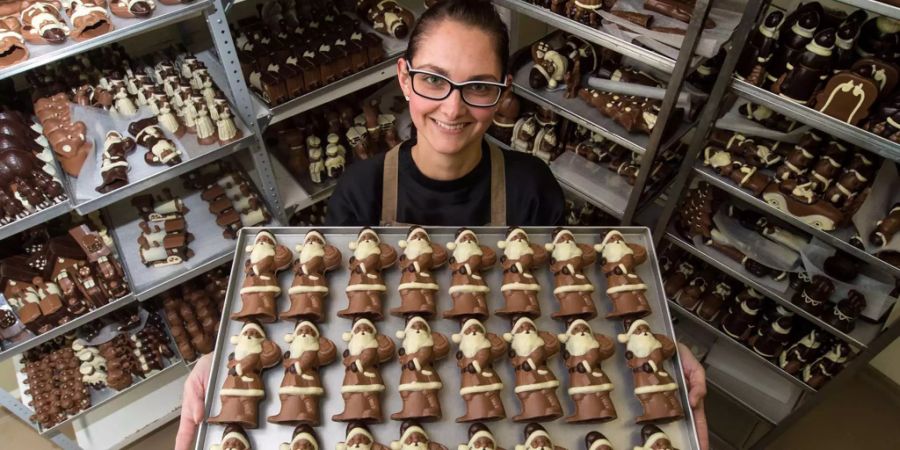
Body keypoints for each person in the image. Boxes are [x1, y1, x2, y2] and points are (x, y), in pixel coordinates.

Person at [175, 1, 707, 448]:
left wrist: (662, 345)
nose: (453, 108)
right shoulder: (361, 189)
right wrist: (220, 358)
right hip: (391, 404)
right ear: (405, 79)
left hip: (507, 402)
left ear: (501, 94)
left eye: (477, 86)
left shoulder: (530, 185)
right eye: (434, 80)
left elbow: (569, 300)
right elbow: (322, 309)